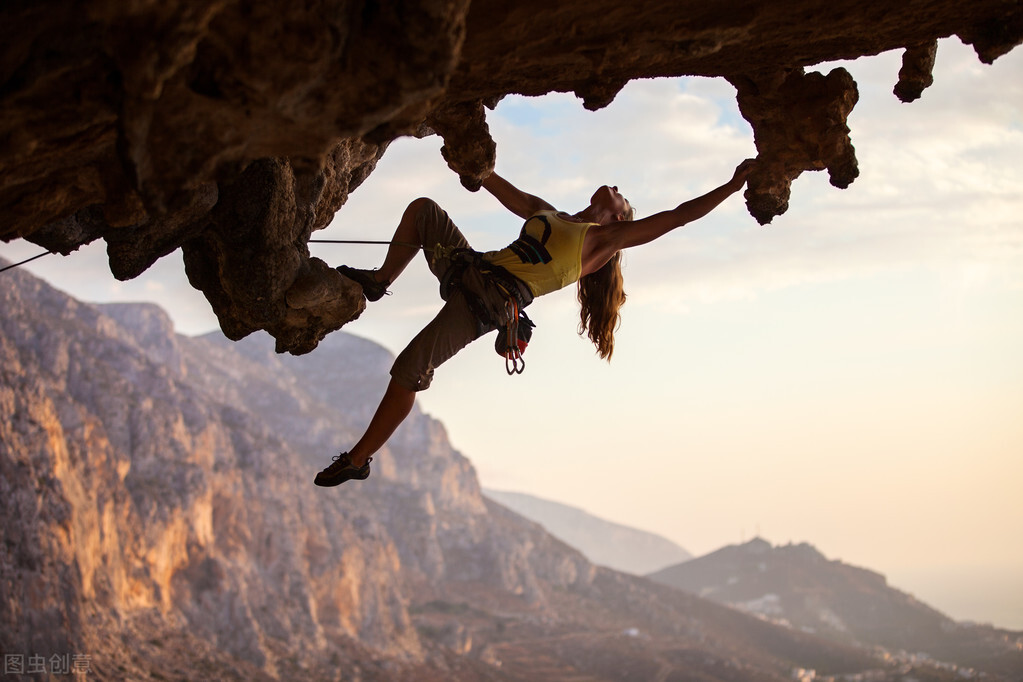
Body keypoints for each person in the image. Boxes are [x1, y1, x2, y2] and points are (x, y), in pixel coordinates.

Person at [314, 159, 757, 486]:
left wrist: (733, 184)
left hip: (488, 303)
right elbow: (498, 186)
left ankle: (359, 460)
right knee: (424, 211)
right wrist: (471, 161)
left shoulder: (602, 241)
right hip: (473, 267)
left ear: (620, 216)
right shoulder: (551, 214)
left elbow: (678, 216)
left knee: (410, 368)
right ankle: (379, 281)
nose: (617, 187)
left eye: (622, 196)